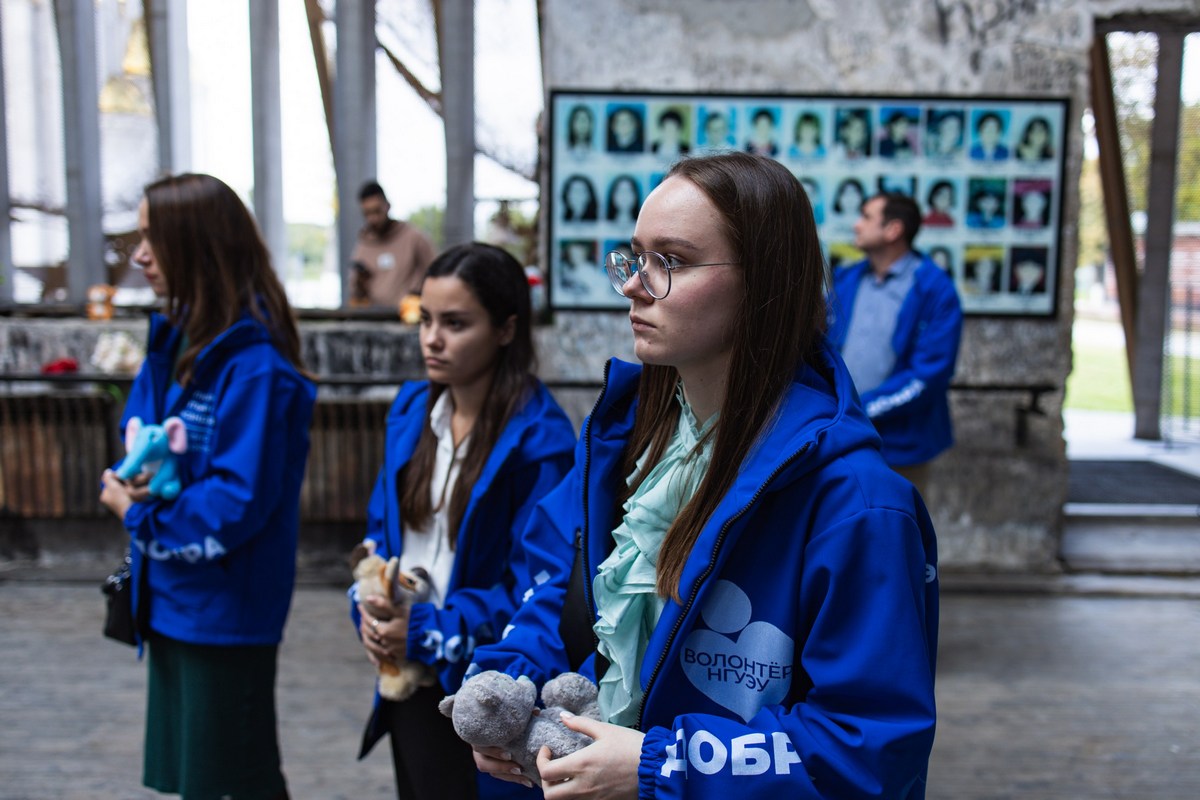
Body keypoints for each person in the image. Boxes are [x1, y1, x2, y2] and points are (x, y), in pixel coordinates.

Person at [465, 153, 940, 798]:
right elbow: (556, 585)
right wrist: (507, 683)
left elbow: (870, 751)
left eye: (671, 261)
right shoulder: (622, 439)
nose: (634, 286)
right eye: (636, 257)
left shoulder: (858, 503)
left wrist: (665, 766)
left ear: (763, 283)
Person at [99, 173, 316, 800]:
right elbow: (142, 441)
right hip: (170, 600)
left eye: (153, 237)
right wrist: (135, 482)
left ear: (198, 245)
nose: (140, 255)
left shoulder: (256, 369)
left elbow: (235, 504)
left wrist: (137, 513)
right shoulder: (173, 343)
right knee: (205, 781)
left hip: (223, 614)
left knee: (233, 782)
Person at [351, 242, 576, 800]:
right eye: (425, 319)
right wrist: (370, 605)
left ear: (506, 329)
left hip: (485, 690)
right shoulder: (411, 411)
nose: (432, 338)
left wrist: (428, 629)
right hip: (405, 678)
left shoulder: (541, 442)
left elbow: (537, 588)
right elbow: (380, 532)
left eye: (455, 323)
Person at [828, 192, 963, 497]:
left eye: (866, 217)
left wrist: (859, 409)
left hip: (901, 446)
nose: (856, 225)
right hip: (840, 437)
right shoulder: (847, 278)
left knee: (897, 525)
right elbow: (821, 345)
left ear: (893, 230)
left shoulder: (934, 289)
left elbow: (929, 375)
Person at [352, 181, 436, 310]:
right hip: (374, 317)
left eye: (377, 211)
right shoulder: (363, 246)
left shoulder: (413, 238)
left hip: (409, 316)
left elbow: (436, 273)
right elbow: (356, 293)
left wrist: (419, 294)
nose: (373, 219)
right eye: (367, 213)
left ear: (387, 206)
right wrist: (360, 283)